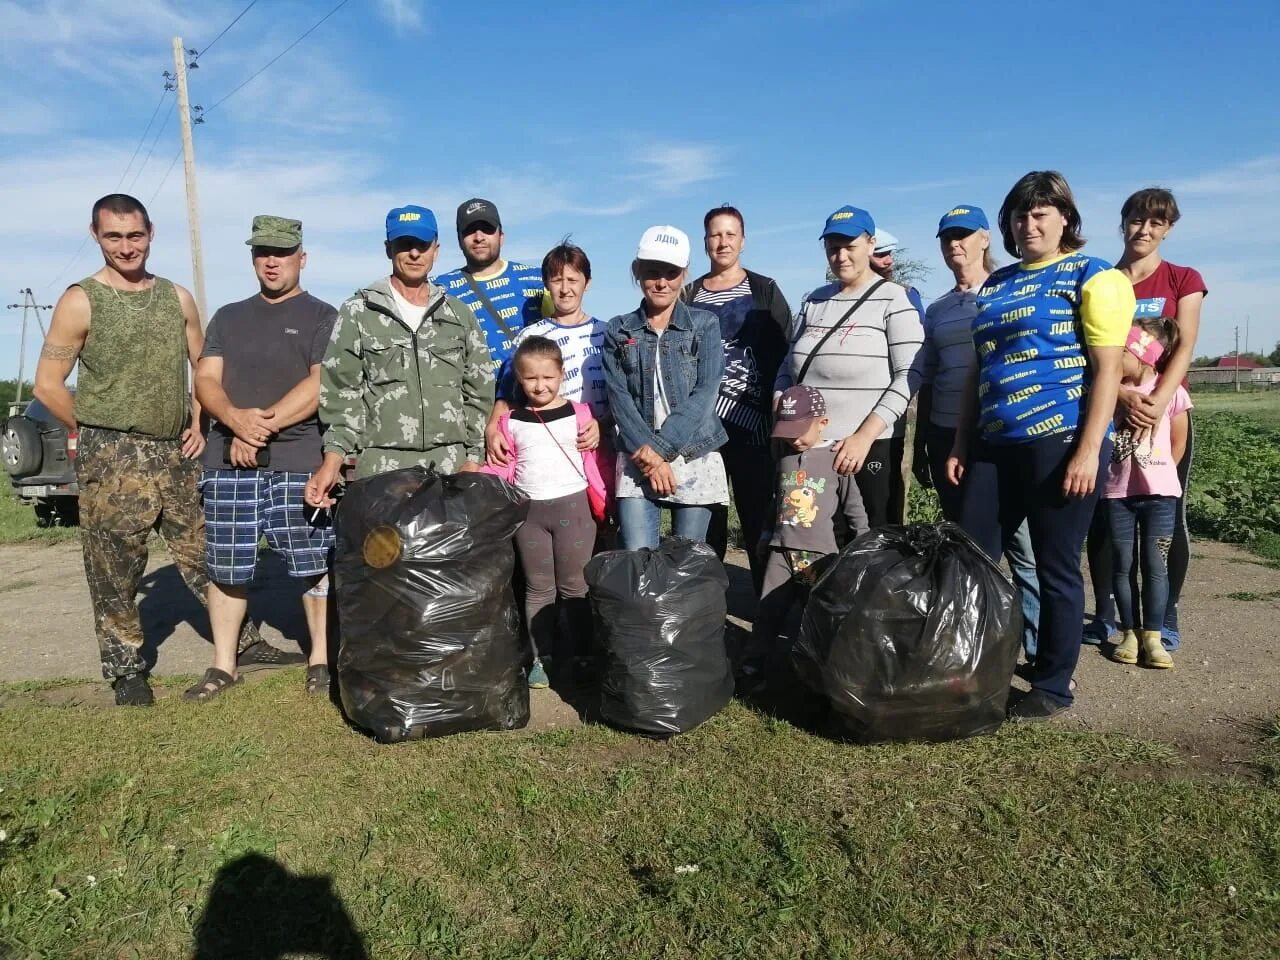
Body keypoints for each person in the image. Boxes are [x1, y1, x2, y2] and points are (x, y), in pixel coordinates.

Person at [32, 194, 296, 707]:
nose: (126, 247)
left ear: (151, 233)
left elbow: (206, 367)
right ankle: (126, 668)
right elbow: (47, 385)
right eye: (114, 236)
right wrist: (94, 433)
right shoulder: (81, 299)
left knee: (207, 552)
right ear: (96, 236)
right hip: (111, 453)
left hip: (175, 451)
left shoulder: (177, 298)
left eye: (135, 235)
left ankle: (241, 643)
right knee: (115, 566)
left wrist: (201, 419)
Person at [946, 171, 1134, 720]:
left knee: (1054, 566)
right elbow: (977, 371)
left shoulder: (1093, 276)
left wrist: (1088, 448)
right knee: (971, 560)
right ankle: (966, 668)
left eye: (1041, 214)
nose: (1029, 224)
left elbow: (1107, 373)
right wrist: (961, 442)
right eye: (1020, 215)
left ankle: (1052, 684)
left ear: (1066, 220)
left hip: (1060, 442)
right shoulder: (996, 285)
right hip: (992, 444)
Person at [185, 216, 338, 702]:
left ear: (302, 258)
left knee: (314, 562)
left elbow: (319, 385)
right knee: (227, 564)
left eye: (282, 252)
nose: (272, 261)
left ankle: (321, 659)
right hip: (228, 462)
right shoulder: (228, 317)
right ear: (253, 258)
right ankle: (224, 665)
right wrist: (233, 419)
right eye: (262, 252)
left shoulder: (321, 315)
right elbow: (205, 381)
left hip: (298, 459)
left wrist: (259, 426)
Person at [910, 204, 1042, 664]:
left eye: (964, 235)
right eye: (947, 237)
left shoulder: (1012, 290)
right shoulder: (939, 309)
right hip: (948, 435)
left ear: (986, 238)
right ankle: (973, 641)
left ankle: (1037, 646)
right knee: (964, 542)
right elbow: (928, 377)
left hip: (1002, 433)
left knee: (1020, 545)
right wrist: (924, 441)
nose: (955, 245)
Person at [305, 205, 493, 509]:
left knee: (450, 557)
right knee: (382, 556)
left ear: (436, 250)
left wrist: (473, 459)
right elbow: (341, 395)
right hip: (381, 472)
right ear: (388, 249)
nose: (415, 253)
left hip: (450, 469)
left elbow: (479, 392)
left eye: (422, 245)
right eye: (405, 245)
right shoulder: (359, 312)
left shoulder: (458, 315)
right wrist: (332, 461)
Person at [1086, 188, 1207, 650]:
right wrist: (1116, 393)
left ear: (1168, 229)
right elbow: (1086, 351)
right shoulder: (1101, 278)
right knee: (1104, 514)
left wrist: (1158, 399)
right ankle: (1108, 617)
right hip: (1107, 410)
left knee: (1166, 514)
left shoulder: (1183, 279)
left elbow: (1186, 345)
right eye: (1137, 220)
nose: (1145, 230)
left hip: (1164, 415)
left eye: (1156, 223)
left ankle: (1164, 617)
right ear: (1123, 222)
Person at [775, 205, 923, 527]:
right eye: (833, 248)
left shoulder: (895, 300)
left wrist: (864, 436)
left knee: (871, 548)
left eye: (850, 247)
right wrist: (780, 400)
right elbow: (787, 365)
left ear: (870, 245)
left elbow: (910, 376)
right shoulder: (814, 301)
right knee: (810, 543)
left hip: (867, 449)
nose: (841, 256)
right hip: (808, 447)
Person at [483, 337, 608, 689]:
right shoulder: (510, 421)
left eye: (548, 378)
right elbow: (500, 467)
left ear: (561, 375)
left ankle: (583, 655)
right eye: (531, 379)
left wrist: (606, 500)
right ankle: (542, 657)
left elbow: (597, 462)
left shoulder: (581, 414)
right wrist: (473, 475)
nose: (540, 386)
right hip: (529, 515)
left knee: (575, 586)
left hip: (575, 509)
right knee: (538, 588)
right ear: (519, 380)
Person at [683, 205, 792, 592]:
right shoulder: (689, 294)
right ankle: (707, 608)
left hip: (756, 429)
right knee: (707, 522)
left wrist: (783, 422)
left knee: (760, 519)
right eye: (715, 234)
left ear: (743, 241)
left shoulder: (764, 290)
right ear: (705, 241)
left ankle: (768, 609)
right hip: (704, 431)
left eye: (730, 234)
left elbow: (786, 355)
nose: (722, 242)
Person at [602, 225, 728, 548]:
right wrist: (648, 456)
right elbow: (619, 398)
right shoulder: (618, 329)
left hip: (693, 453)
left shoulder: (704, 325)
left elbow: (706, 392)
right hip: (637, 455)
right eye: (652, 271)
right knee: (639, 558)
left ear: (684, 274)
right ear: (637, 271)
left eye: (671, 273)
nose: (661, 282)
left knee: (687, 564)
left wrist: (661, 450)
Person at [749, 385, 869, 680]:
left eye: (801, 430)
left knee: (815, 614)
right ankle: (753, 663)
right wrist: (766, 534)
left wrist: (863, 542)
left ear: (823, 423)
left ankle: (816, 670)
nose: (795, 439)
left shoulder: (835, 459)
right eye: (788, 431)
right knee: (768, 611)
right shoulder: (784, 458)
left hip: (817, 556)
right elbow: (775, 502)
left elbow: (854, 507)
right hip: (780, 551)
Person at [1103, 321, 1191, 669]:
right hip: (1117, 494)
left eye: (1122, 351)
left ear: (1142, 356)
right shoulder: (1110, 391)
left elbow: (1178, 441)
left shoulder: (1171, 393)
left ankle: (1154, 637)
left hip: (1160, 496)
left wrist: (1158, 471)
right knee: (1122, 566)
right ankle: (1129, 632)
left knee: (1156, 566)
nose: (1114, 356)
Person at [485, 242, 608, 469]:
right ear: (546, 285)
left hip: (599, 452)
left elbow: (623, 398)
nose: (565, 289)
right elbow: (507, 397)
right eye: (557, 280)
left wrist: (603, 425)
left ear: (587, 283)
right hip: (546, 455)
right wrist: (492, 429)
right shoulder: (530, 336)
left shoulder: (607, 334)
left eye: (572, 280)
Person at [432, 198, 544, 374]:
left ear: (501, 236)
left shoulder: (537, 279)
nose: (479, 237)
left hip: (532, 397)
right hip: (475, 399)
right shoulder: (439, 288)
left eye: (487, 229)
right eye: (470, 231)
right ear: (459, 240)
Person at [870, 229, 926, 320]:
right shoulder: (840, 295)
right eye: (880, 255)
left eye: (889, 254)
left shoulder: (907, 294)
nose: (889, 261)